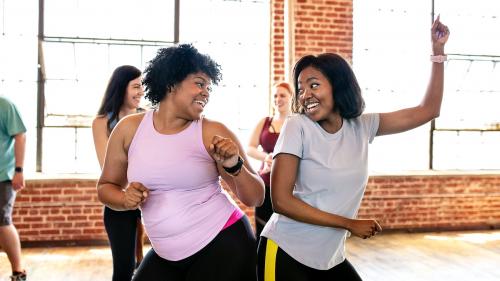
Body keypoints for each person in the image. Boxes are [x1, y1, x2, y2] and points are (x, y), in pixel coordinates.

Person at [257, 17, 450, 281]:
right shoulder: (297, 127)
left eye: (314, 85)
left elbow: (428, 110)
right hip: (285, 251)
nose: (305, 95)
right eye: (301, 89)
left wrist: (438, 53)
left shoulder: (362, 126)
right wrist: (349, 223)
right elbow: (280, 201)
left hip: (329, 257)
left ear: (338, 85)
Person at [96, 44, 265, 281]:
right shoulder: (129, 130)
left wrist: (234, 166)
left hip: (223, 242)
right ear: (171, 83)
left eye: (208, 86)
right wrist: (124, 200)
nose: (206, 92)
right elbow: (105, 187)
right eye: (199, 83)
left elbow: (256, 197)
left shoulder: (211, 132)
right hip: (166, 253)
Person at [92, 65, 146, 281]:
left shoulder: (148, 117)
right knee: (124, 268)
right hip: (120, 198)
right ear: (120, 88)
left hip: (150, 194)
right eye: (136, 86)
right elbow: (107, 165)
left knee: (143, 264)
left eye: (142, 86)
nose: (141, 91)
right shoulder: (102, 122)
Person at [247, 82, 292, 236]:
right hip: (265, 184)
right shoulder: (265, 122)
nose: (278, 99)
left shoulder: (297, 124)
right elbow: (250, 148)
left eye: (282, 95)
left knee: (285, 232)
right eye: (275, 95)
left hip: (290, 187)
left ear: (291, 97)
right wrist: (266, 157)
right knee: (263, 229)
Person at [0, 96, 27, 281]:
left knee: (2, 221)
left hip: (3, 176)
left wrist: (19, 170)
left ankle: (18, 272)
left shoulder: (6, 105)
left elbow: (20, 136)